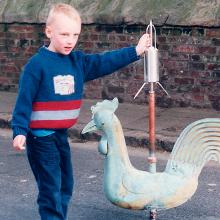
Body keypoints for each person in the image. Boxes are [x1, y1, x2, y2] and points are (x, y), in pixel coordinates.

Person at [12, 3, 151, 220]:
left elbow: (104, 61)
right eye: (64, 34)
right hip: (40, 139)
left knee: (66, 184)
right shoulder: (37, 65)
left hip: (60, 135)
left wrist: (135, 51)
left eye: (75, 34)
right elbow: (24, 100)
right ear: (49, 32)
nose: (70, 40)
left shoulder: (77, 62)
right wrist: (19, 130)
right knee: (51, 187)